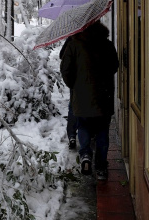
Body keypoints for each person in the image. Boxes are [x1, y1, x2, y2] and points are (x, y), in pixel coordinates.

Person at [60, 20, 119, 180]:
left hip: (81, 96)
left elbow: (65, 69)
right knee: (102, 131)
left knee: (84, 126)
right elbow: (115, 66)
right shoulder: (106, 44)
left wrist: (75, 85)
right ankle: (100, 168)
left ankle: (85, 155)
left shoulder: (74, 44)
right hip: (103, 96)